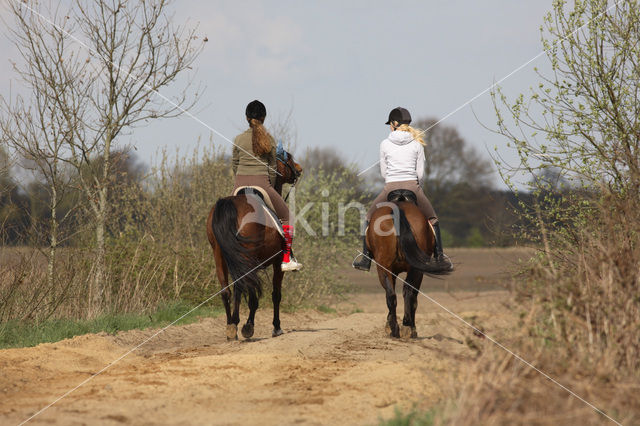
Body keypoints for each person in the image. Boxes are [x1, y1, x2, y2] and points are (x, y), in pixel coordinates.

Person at [352, 107, 452, 272]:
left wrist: (393, 179)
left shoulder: (384, 144)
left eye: (390, 124)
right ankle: (440, 256)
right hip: (413, 187)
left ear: (394, 123)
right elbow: (420, 174)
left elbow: (384, 172)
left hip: (390, 187)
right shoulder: (417, 144)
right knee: (433, 219)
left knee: (369, 217)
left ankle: (365, 258)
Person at [232, 100, 302, 271]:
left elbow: (234, 165)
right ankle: (286, 259)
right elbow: (272, 169)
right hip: (262, 184)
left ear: (246, 117)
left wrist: (240, 179)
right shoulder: (269, 140)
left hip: (239, 186)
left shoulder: (238, 139)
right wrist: (268, 184)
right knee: (287, 218)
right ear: (264, 118)